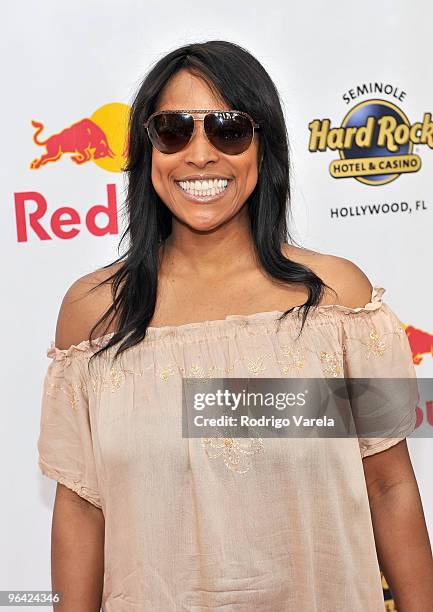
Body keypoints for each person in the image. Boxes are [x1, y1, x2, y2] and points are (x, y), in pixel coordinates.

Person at [37, 40, 433, 611]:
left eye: (228, 129)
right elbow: (79, 508)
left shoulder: (337, 302)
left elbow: (390, 486)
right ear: (147, 151)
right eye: (174, 130)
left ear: (263, 148)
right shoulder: (93, 314)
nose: (200, 155)